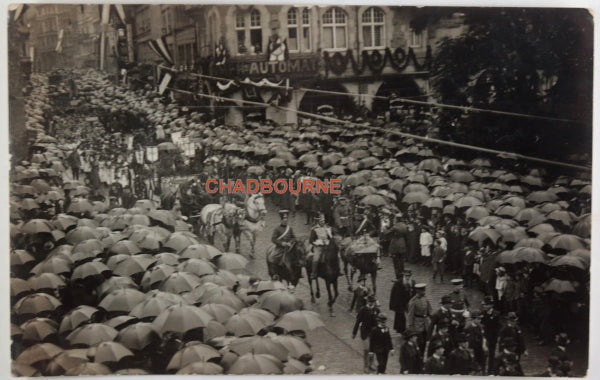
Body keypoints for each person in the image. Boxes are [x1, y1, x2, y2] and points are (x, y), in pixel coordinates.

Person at [353, 295, 380, 373]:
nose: (371, 303)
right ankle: (365, 366)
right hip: (365, 332)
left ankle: (371, 364)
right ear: (367, 302)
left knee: (372, 349)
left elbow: (378, 321)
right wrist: (354, 332)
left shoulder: (376, 310)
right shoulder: (363, 310)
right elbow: (358, 322)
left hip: (373, 333)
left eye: (373, 302)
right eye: (370, 302)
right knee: (366, 349)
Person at [407, 283, 431, 353]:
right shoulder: (413, 301)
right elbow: (410, 315)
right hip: (417, 324)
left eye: (424, 290)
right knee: (419, 342)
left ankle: (422, 355)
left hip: (426, 323)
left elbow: (430, 310)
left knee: (425, 341)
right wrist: (410, 326)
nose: (424, 292)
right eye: (422, 290)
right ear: (418, 291)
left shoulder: (425, 299)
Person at [308, 212, 332, 280]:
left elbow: (330, 238)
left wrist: (329, 238)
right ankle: (313, 273)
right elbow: (311, 240)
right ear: (318, 221)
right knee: (316, 259)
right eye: (321, 221)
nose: (323, 222)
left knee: (336, 256)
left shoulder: (328, 228)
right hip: (318, 246)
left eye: (324, 221)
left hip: (327, 245)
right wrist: (318, 242)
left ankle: (337, 270)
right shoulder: (314, 229)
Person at [481, 296, 501, 374]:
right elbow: (482, 324)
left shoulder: (496, 314)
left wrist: (497, 336)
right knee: (484, 354)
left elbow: (498, 326)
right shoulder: (482, 313)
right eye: (484, 305)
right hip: (484, 337)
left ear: (491, 305)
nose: (485, 306)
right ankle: (482, 370)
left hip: (493, 337)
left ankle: (490, 370)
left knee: (491, 354)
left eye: (486, 304)